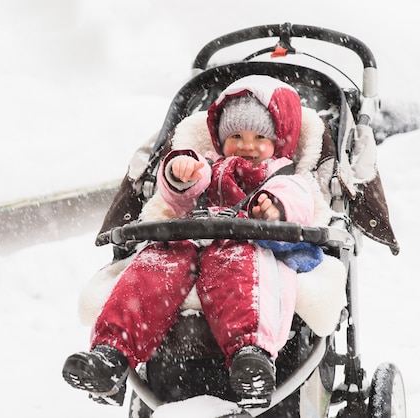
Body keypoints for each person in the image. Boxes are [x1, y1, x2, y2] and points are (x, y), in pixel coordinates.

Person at [62, 75, 318, 407]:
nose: (247, 145)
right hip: (189, 241)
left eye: (259, 137)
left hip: (245, 244)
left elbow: (300, 201)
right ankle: (111, 354)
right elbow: (182, 197)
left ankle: (250, 357)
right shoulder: (211, 168)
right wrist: (179, 173)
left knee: (241, 278)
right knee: (150, 271)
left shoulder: (284, 178)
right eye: (236, 136)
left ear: (280, 141)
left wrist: (276, 209)